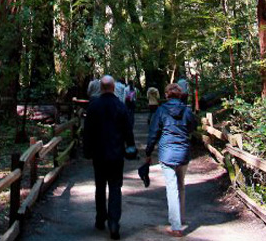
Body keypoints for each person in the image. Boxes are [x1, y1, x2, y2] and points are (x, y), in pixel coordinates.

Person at [84, 75, 135, 240]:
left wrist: (87, 150)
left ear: (101, 88)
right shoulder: (120, 106)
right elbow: (128, 130)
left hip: (98, 155)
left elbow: (88, 131)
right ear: (113, 88)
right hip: (115, 154)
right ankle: (114, 223)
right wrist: (130, 147)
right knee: (115, 188)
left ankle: (100, 219)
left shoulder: (93, 106)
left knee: (100, 186)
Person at [145, 83, 197, 238]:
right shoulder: (187, 111)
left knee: (171, 188)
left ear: (167, 95)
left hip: (167, 153)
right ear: (180, 95)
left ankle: (176, 226)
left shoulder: (161, 111)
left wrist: (148, 152)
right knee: (181, 186)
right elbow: (192, 127)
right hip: (183, 152)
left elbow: (154, 132)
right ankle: (180, 218)